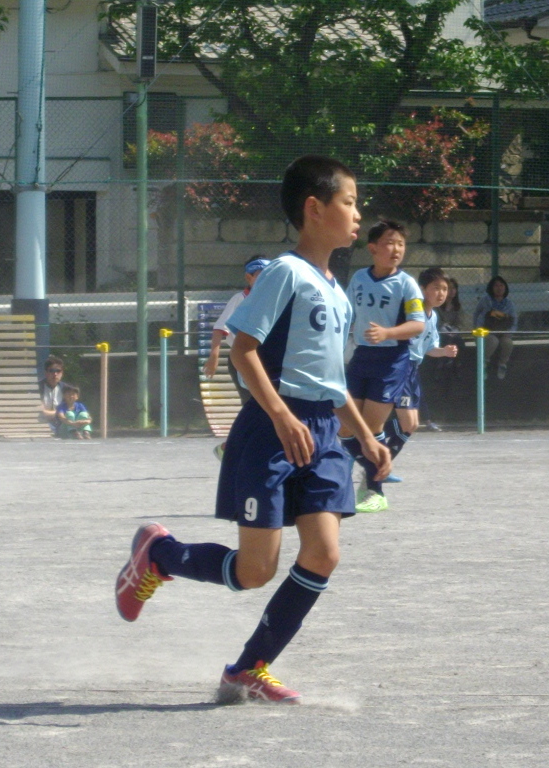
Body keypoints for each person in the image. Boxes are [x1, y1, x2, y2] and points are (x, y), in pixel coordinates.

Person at [115, 154, 390, 704]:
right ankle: (159, 555)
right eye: (350, 202)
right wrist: (282, 415)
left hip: (323, 435)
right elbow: (244, 351)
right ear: (315, 209)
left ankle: (248, 667)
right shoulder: (285, 273)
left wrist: (365, 437)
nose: (358, 214)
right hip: (271, 430)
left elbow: (333, 385)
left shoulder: (337, 291)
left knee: (323, 553)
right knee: (254, 570)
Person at [338, 220, 425, 514]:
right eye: (390, 243)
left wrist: (388, 333)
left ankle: (375, 491)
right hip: (361, 357)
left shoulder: (407, 284)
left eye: (401, 244)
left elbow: (418, 324)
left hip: (392, 361)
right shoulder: (360, 278)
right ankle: (376, 468)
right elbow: (346, 313)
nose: (397, 249)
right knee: (344, 427)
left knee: (372, 427)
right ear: (372, 248)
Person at [387, 268, 458, 460]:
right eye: (436, 288)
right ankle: (375, 460)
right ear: (422, 289)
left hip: (412, 370)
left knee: (411, 424)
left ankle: (380, 460)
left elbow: (429, 348)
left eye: (445, 289)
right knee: (408, 422)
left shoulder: (433, 316)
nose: (441, 293)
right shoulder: (411, 310)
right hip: (398, 367)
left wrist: (444, 351)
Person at [203, 256, 270, 460]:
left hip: (264, 360)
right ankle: (232, 448)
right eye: (261, 275)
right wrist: (214, 355)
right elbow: (219, 328)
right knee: (255, 407)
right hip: (242, 360)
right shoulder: (240, 299)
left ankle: (242, 449)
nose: (267, 279)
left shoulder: (272, 300)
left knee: (263, 407)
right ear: (249, 277)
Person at [473, 275, 517, 380]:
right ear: (491, 288)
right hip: (487, 332)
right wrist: (477, 330)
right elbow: (476, 314)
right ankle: (484, 363)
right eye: (496, 286)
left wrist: (510, 332)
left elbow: (514, 321)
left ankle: (502, 365)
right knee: (493, 341)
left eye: (501, 285)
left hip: (503, 332)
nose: (499, 288)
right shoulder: (485, 301)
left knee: (508, 343)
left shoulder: (509, 304)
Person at [38, 355, 69, 435]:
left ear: (62, 373)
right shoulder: (37, 389)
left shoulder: (67, 389)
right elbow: (41, 413)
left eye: (58, 371)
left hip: (62, 423)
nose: (55, 374)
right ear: (46, 373)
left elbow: (70, 411)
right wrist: (60, 413)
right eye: (51, 371)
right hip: (42, 424)